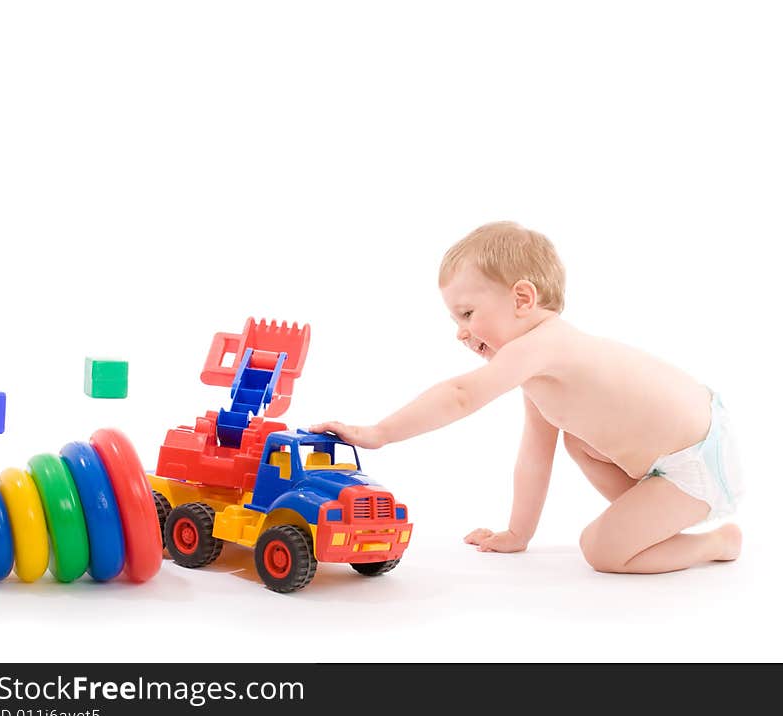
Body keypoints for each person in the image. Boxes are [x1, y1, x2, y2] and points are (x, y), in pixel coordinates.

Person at [310, 221, 744, 573]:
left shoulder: (547, 345)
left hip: (696, 461)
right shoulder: (540, 374)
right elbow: (535, 457)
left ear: (522, 298)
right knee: (577, 441)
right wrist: (519, 533)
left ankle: (714, 544)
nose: (460, 331)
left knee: (601, 551)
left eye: (467, 313)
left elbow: (461, 395)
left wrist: (380, 432)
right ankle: (647, 520)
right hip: (671, 457)